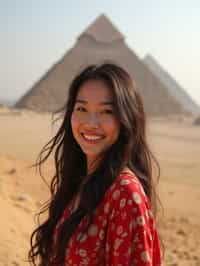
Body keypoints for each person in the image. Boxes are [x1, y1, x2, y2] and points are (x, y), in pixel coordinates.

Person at [29, 62, 162, 265]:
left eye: (106, 112)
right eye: (81, 108)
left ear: (126, 119)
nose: (91, 123)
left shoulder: (125, 193)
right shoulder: (82, 181)